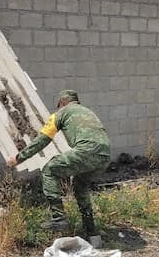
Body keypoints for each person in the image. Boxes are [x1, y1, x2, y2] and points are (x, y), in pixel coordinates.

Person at [7, 90, 111, 242]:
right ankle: (92, 233)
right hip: (105, 154)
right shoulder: (88, 112)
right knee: (80, 186)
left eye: (59, 105)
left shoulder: (61, 114)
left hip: (86, 151)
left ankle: (58, 217)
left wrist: (18, 158)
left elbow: (42, 140)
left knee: (49, 170)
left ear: (62, 103)